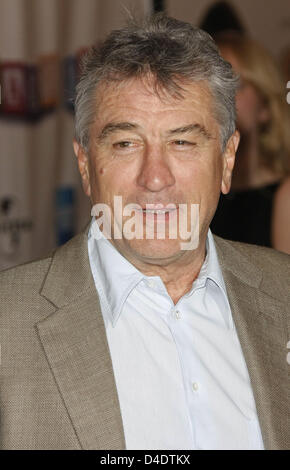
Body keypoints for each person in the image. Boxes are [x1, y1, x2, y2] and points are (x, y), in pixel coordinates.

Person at [0, 14, 289, 450]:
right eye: (126, 143)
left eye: (183, 142)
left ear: (227, 161)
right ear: (84, 163)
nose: (155, 178)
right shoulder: (8, 326)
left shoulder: (284, 293)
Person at [210, 33, 290, 253]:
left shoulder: (284, 196)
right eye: (214, 88)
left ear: (265, 108)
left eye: (236, 85)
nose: (223, 98)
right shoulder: (201, 192)